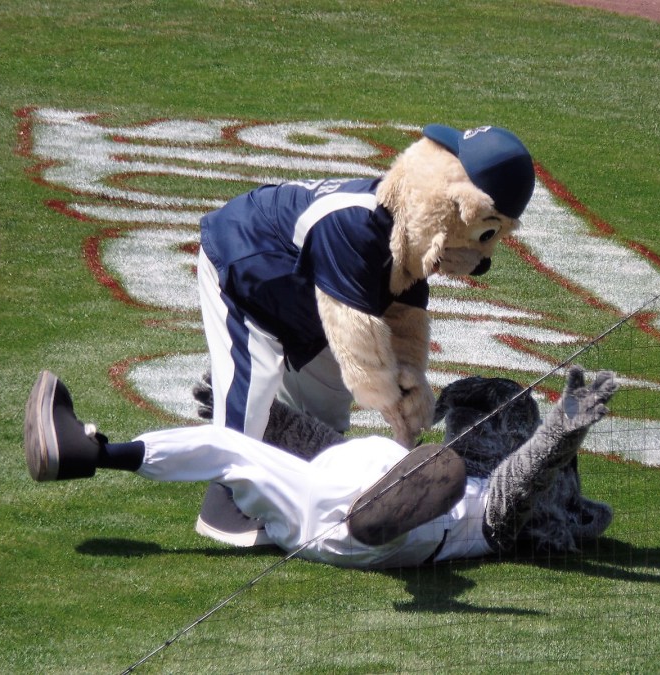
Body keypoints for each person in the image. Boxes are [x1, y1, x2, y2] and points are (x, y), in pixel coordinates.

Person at [194, 124, 536, 545]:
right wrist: (390, 401)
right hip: (244, 267)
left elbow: (403, 319)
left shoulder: (407, 239)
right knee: (252, 386)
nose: (480, 258)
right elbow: (355, 332)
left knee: (323, 412)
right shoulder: (354, 224)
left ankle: (297, 491)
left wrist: (409, 384)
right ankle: (225, 504)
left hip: (307, 295)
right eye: (485, 234)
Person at [23, 366, 616, 569]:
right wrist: (271, 418)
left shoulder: (500, 515)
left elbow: (521, 482)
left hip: (395, 522)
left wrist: (561, 432)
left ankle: (97, 455)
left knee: (233, 454)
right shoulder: (463, 477)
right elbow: (320, 443)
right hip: (327, 501)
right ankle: (87, 451)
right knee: (234, 446)